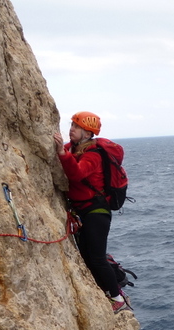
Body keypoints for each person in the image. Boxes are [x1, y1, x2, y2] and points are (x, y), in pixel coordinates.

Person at [53, 111, 132, 314]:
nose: (72, 129)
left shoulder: (93, 155)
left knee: (96, 257)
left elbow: (77, 174)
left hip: (96, 212)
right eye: (72, 125)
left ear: (88, 133)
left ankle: (117, 298)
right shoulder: (76, 148)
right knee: (88, 256)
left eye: (76, 127)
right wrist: (62, 149)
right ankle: (108, 290)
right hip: (85, 210)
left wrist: (62, 153)